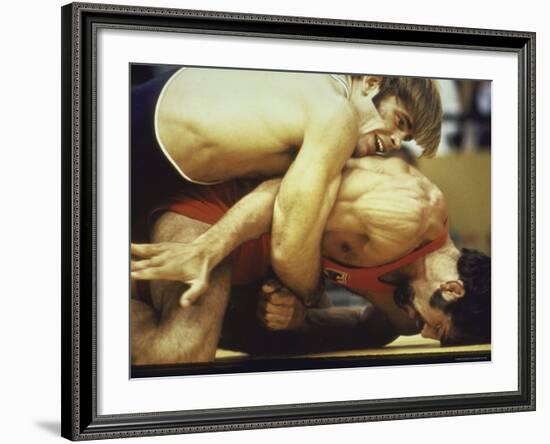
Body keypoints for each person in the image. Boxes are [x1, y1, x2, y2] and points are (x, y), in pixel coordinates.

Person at [130, 157, 490, 364]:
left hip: (254, 267)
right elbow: (281, 192)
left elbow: (360, 331)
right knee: (181, 355)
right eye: (438, 329)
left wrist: (300, 320)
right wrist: (210, 247)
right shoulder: (410, 210)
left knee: (284, 349)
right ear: (453, 289)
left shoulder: (404, 316)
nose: (425, 333)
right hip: (227, 213)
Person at [132, 67, 442, 306]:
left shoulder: (314, 86)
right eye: (399, 122)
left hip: (146, 132)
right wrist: (314, 297)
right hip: (136, 143)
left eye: (406, 139)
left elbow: (277, 198)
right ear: (372, 82)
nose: (395, 142)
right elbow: (288, 251)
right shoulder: (337, 115)